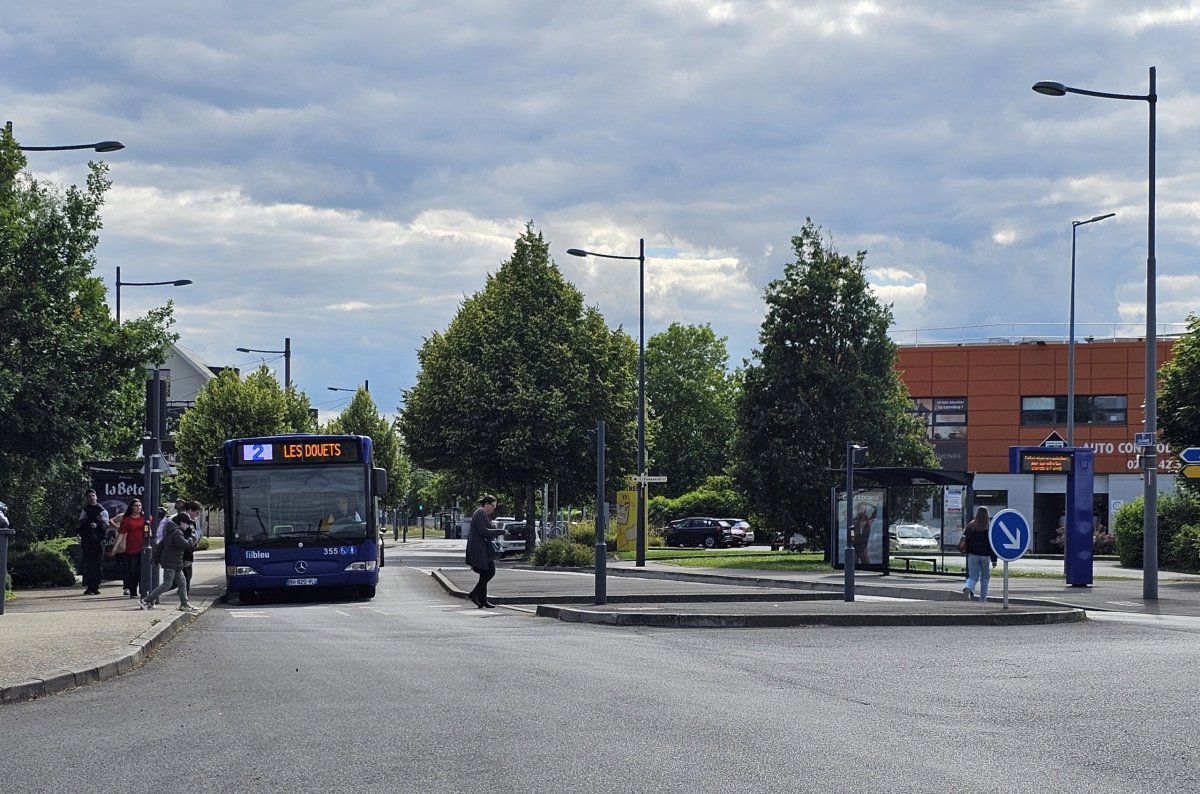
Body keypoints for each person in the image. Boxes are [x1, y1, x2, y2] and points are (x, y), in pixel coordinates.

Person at [140, 512, 199, 613]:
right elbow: (183, 544)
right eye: (187, 523)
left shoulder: (172, 531)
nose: (188, 525)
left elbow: (161, 545)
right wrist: (191, 539)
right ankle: (145, 600)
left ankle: (184, 604)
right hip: (171, 562)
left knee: (182, 583)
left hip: (175, 563)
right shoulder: (177, 532)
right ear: (181, 522)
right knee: (167, 584)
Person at [464, 494, 505, 608]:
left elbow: (489, 527)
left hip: (482, 549)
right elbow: (483, 531)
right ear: (486, 504)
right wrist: (501, 532)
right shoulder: (480, 513)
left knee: (485, 573)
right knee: (490, 572)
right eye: (493, 506)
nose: (493, 508)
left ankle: (483, 599)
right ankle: (474, 594)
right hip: (479, 549)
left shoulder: (483, 514)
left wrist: (495, 528)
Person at [112, 498, 150, 599]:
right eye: (136, 506)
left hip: (143, 547)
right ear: (132, 507)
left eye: (140, 505)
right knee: (132, 570)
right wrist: (115, 547)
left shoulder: (145, 517)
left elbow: (149, 527)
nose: (138, 508)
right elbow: (121, 533)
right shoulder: (127, 519)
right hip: (131, 548)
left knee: (142, 571)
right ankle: (133, 591)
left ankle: (143, 590)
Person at [76, 489, 110, 595]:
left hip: (98, 541)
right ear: (86, 498)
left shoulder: (102, 510)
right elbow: (80, 524)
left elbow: (106, 525)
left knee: (97, 564)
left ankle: (95, 585)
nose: (91, 498)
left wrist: (98, 525)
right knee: (88, 564)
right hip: (87, 541)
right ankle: (90, 585)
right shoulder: (84, 510)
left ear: (96, 497)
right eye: (89, 496)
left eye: (93, 496)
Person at [962, 507, 998, 602]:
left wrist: (967, 552)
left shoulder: (970, 526)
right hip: (985, 556)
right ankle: (983, 599)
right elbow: (992, 544)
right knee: (985, 578)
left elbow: (966, 540)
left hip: (972, 555)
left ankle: (968, 587)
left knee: (973, 576)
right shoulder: (989, 527)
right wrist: (994, 559)